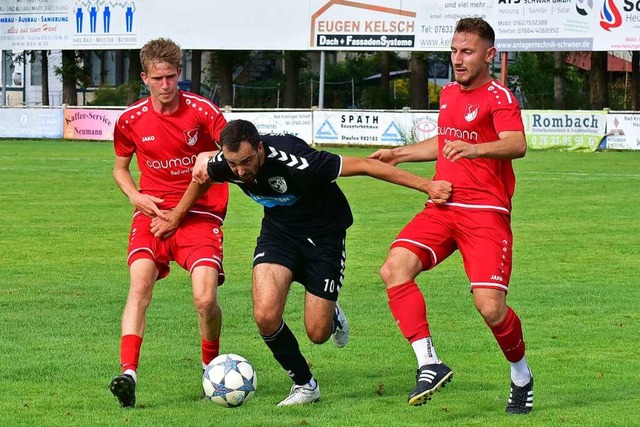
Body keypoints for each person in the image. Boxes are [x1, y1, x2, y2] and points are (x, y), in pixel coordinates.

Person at [151, 119, 452, 406]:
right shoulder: (226, 164)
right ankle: (305, 385)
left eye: (246, 161)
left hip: (324, 236)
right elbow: (203, 178)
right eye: (233, 164)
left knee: (317, 333)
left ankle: (330, 313)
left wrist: (427, 186)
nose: (240, 171)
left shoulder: (299, 161)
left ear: (259, 148)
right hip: (279, 234)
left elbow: (367, 165)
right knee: (265, 315)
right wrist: (177, 216)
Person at [368, 17, 533, 414]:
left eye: (467, 52)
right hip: (443, 207)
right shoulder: (448, 95)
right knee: (394, 269)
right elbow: (446, 143)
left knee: (490, 307)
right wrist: (399, 154)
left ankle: (521, 375)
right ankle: (429, 362)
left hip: (486, 213)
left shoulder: (499, 96)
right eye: (454, 51)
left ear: (488, 55)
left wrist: (475, 149)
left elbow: (517, 143)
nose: (457, 60)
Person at [109, 38, 229, 408]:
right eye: (158, 78)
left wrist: (213, 154)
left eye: (172, 77)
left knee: (205, 299)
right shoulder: (130, 120)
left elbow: (231, 150)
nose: (166, 85)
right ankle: (128, 374)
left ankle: (211, 369)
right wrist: (135, 196)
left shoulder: (203, 112)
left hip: (199, 214)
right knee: (140, 286)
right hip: (152, 215)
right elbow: (120, 169)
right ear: (145, 77)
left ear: (180, 75)